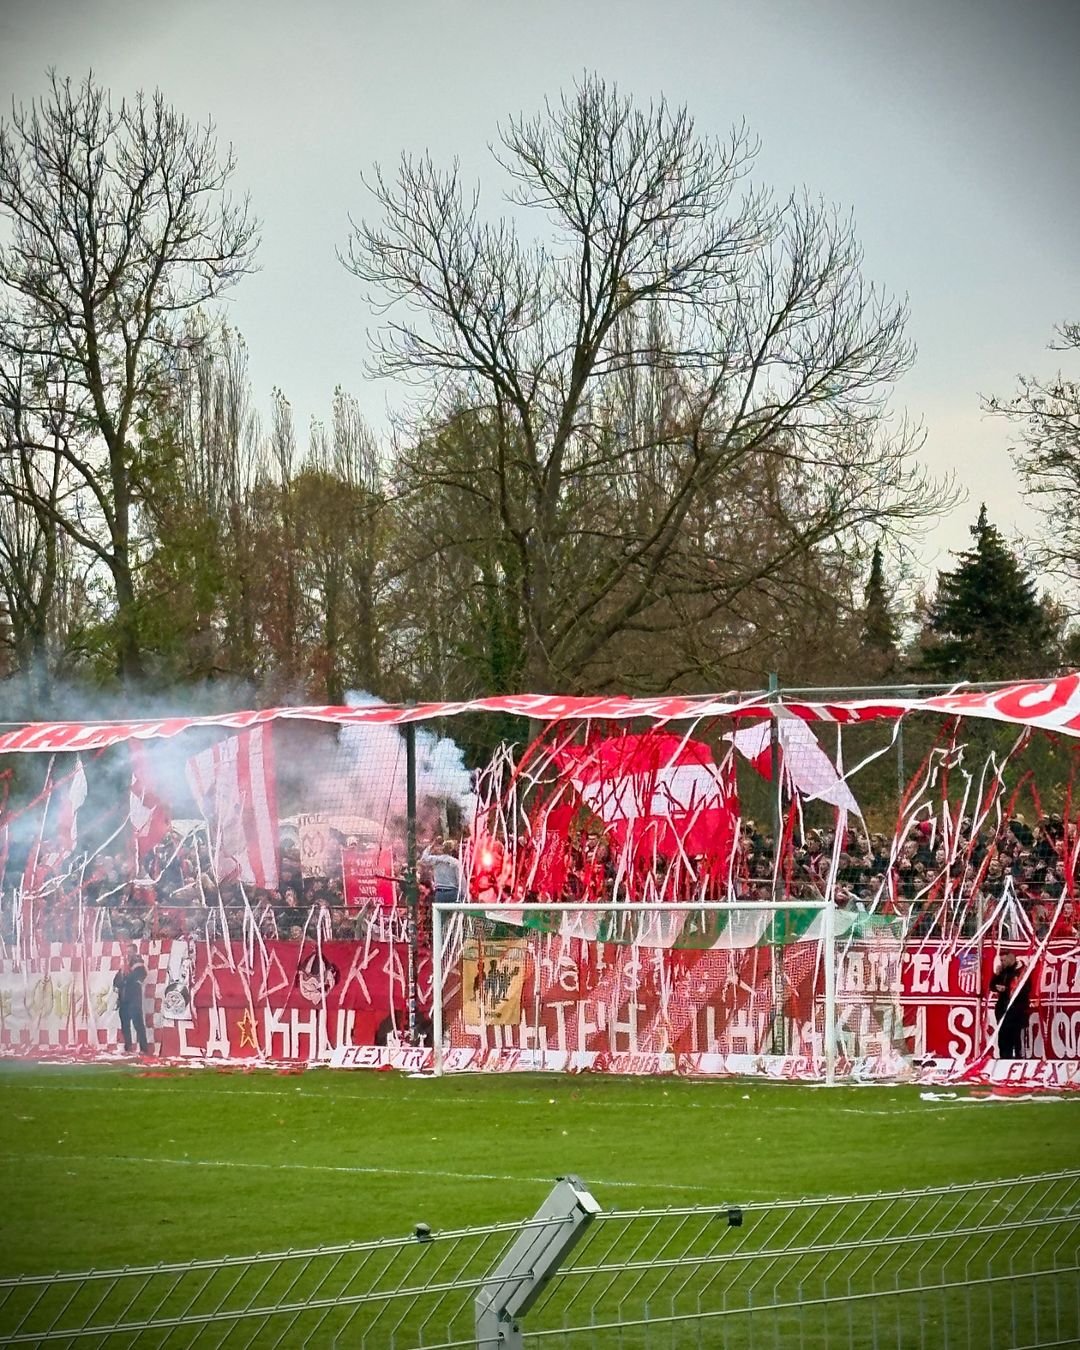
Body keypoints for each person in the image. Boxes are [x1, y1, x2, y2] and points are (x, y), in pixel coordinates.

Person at [989, 952, 1030, 1060]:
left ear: (1010, 958)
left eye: (1003, 960)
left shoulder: (1022, 972)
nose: (1002, 963)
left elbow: (1025, 990)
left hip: (1016, 1010)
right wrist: (996, 979)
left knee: (1015, 1036)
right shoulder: (1003, 971)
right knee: (1003, 1036)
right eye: (1001, 960)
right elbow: (991, 986)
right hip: (1003, 1008)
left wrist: (1007, 990)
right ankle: (1004, 1058)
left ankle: (1016, 1057)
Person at [113, 942, 150, 1054]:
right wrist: (122, 978)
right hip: (123, 999)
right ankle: (128, 1047)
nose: (128, 953)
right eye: (127, 951)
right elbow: (116, 981)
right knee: (125, 1025)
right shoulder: (124, 965)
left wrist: (125, 979)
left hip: (134, 998)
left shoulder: (138, 963)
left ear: (135, 951)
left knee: (138, 1024)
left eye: (130, 951)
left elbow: (138, 975)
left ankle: (144, 1049)